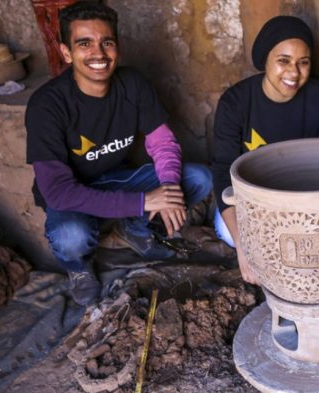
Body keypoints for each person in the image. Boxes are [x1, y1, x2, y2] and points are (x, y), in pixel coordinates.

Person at [25, 1, 212, 306]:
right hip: (72, 194)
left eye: (106, 42)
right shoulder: (46, 106)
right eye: (84, 44)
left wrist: (168, 187)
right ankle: (79, 268)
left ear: (117, 47)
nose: (98, 53)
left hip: (118, 178)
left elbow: (162, 142)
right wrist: (145, 201)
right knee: (71, 236)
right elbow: (58, 192)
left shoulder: (132, 83)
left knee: (197, 178)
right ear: (66, 53)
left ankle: (135, 230)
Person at [211, 15, 319, 284]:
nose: (294, 72)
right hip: (251, 200)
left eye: (303, 62)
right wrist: (244, 249)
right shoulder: (236, 102)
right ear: (264, 60)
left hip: (304, 198)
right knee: (227, 234)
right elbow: (224, 171)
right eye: (283, 60)